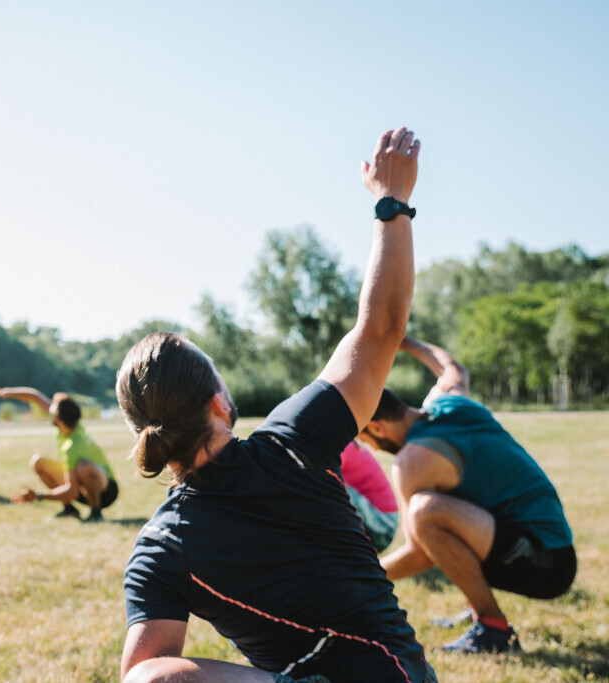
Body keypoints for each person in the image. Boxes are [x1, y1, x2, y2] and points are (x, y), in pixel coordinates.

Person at [115, 128, 434, 682]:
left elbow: (147, 672)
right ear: (219, 401)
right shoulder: (295, 438)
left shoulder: (161, 546)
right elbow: (381, 327)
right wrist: (392, 202)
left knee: (146, 675)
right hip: (396, 675)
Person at [358, 336, 576, 655]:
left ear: (377, 428)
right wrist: (402, 341)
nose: (371, 449)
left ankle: (494, 630)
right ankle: (477, 605)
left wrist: (359, 573)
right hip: (554, 548)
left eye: (364, 440)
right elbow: (451, 367)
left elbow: (420, 554)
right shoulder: (449, 404)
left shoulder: (413, 462)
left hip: (545, 566)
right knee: (443, 505)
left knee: (424, 512)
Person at [0, 385, 117, 522]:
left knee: (84, 466)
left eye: (53, 408)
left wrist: (38, 496)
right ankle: (69, 509)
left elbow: (72, 491)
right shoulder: (68, 424)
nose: (49, 408)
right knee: (38, 462)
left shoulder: (73, 445)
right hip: (83, 488)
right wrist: (6, 393)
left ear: (59, 419)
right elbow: (35, 396)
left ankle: (96, 512)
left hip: (106, 492)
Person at [341, 440, 400, 552]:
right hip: (379, 522)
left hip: (384, 527)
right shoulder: (343, 442)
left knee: (326, 484)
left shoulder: (339, 446)